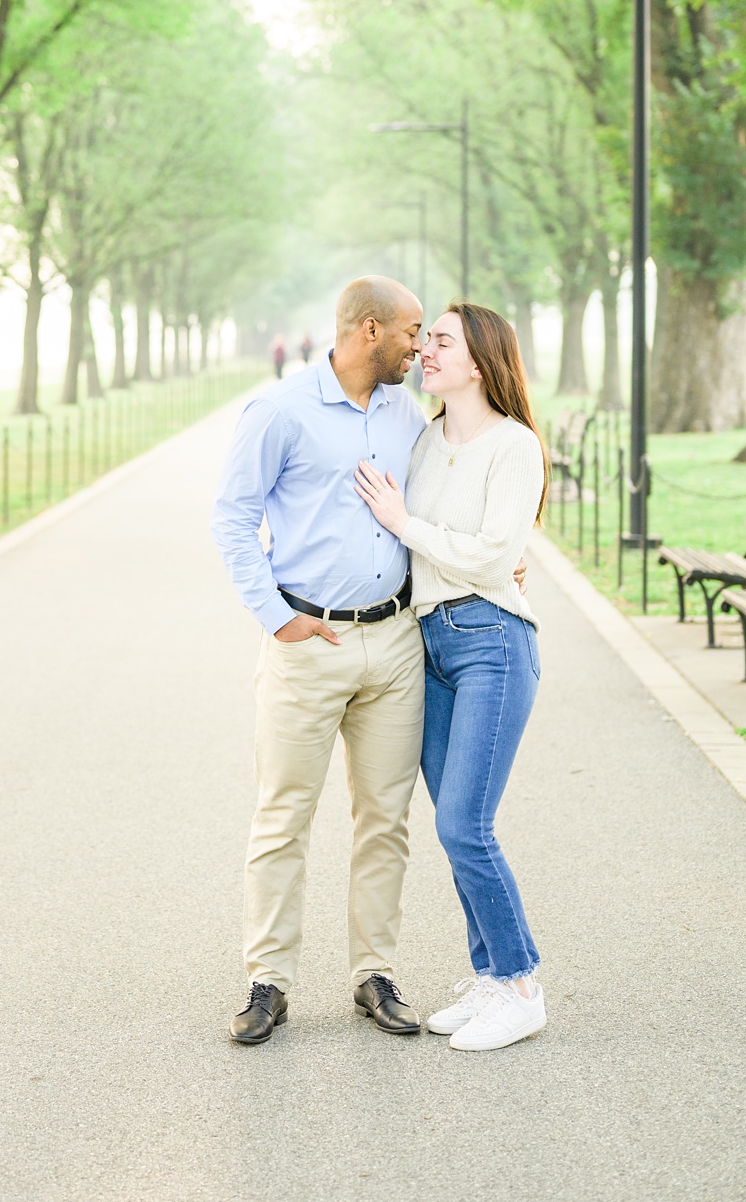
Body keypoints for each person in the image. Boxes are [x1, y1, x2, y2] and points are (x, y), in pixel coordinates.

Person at [211, 277, 429, 1045]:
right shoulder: (280, 410)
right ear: (370, 330)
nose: (420, 344)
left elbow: (434, 510)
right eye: (411, 329)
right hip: (309, 643)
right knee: (283, 816)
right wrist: (277, 619)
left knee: (385, 821)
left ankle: (375, 975)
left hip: (395, 643)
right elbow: (233, 517)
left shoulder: (410, 413)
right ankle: (267, 981)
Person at [353, 301, 550, 1052]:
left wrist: (408, 526)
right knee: (451, 822)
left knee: (466, 824)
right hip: (429, 641)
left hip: (492, 641)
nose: (424, 349)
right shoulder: (426, 439)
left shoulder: (516, 446)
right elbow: (436, 547)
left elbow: (495, 555)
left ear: (479, 361)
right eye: (426, 337)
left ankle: (523, 984)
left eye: (440, 341)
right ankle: (491, 978)